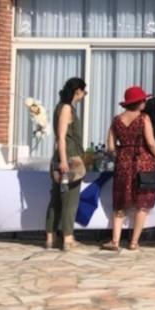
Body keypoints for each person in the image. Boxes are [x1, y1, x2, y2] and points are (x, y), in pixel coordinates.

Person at [104, 86, 155, 252]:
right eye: (143, 100)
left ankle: (115, 241)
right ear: (138, 102)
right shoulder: (144, 118)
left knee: (120, 203)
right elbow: (151, 142)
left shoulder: (116, 120)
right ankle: (133, 243)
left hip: (123, 164)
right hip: (142, 162)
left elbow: (110, 147)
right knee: (142, 204)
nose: (145, 102)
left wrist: (122, 150)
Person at [45, 78, 87, 251]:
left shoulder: (59, 107)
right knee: (70, 200)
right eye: (84, 91)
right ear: (77, 91)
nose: (84, 95)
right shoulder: (66, 108)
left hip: (61, 157)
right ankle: (67, 239)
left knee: (56, 199)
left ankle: (51, 237)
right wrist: (63, 160)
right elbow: (61, 137)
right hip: (69, 158)